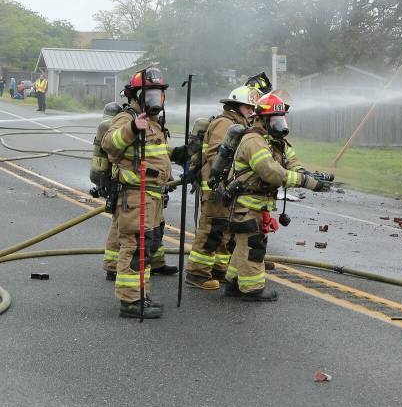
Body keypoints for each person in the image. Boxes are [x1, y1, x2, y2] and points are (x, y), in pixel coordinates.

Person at [224, 92, 328, 301]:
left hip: (258, 204)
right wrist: (305, 182)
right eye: (275, 120)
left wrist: (306, 174)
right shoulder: (254, 140)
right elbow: (270, 172)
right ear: (262, 119)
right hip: (246, 204)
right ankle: (252, 289)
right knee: (253, 246)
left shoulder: (277, 142)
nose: (280, 125)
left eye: (281, 119)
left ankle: (234, 283)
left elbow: (292, 162)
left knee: (244, 245)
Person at [101, 67, 176, 319]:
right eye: (150, 94)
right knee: (135, 248)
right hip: (135, 195)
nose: (155, 100)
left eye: (159, 95)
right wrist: (133, 127)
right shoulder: (127, 118)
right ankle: (130, 302)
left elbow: (156, 155)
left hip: (152, 196)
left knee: (148, 245)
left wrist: (177, 154)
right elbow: (110, 144)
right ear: (136, 95)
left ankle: (140, 294)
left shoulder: (153, 123)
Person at [184, 85, 260, 290]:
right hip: (215, 187)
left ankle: (218, 269)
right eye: (248, 108)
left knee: (225, 231)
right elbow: (216, 155)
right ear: (236, 106)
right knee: (211, 231)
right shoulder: (224, 123)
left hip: (227, 188)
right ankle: (197, 274)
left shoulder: (238, 123)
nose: (252, 112)